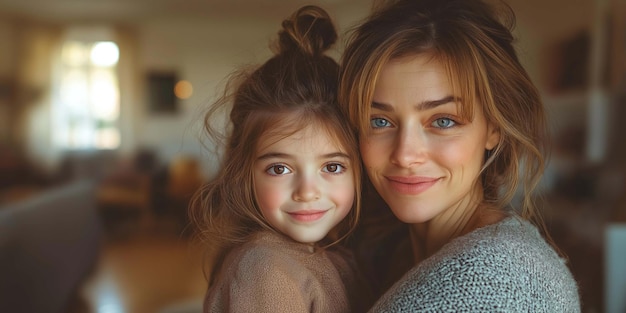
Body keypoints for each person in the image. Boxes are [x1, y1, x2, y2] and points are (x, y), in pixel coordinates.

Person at [338, 0, 582, 311]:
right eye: (380, 121)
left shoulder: (496, 284)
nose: (405, 155)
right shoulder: (393, 257)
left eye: (443, 121)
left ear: (494, 128)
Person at [189, 5, 370, 313]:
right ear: (244, 172)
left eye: (332, 166)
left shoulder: (328, 251)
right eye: (280, 168)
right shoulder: (266, 271)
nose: (307, 191)